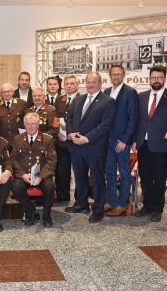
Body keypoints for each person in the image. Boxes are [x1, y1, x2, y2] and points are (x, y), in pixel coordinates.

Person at [65, 72, 116, 223]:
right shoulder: (78, 99)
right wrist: (70, 134)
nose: (91, 84)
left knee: (97, 179)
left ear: (100, 83)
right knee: (79, 178)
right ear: (85, 83)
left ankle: (98, 209)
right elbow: (70, 119)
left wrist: (87, 138)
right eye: (88, 82)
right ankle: (82, 204)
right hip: (76, 147)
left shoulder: (108, 101)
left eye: (94, 82)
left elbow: (106, 124)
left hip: (94, 147)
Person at [133, 65, 167, 222]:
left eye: (159, 77)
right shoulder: (141, 97)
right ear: (149, 78)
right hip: (143, 145)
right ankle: (147, 206)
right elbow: (137, 121)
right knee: (145, 177)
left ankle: (158, 209)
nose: (156, 80)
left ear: (164, 79)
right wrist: (135, 140)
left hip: (162, 146)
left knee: (158, 179)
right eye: (153, 77)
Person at [103, 65, 139, 216]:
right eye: (113, 74)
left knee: (124, 173)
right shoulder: (105, 92)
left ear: (123, 75)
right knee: (109, 172)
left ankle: (122, 203)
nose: (116, 77)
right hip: (108, 140)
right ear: (109, 76)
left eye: (119, 74)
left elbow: (133, 118)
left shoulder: (130, 92)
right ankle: (111, 201)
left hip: (122, 142)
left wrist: (125, 140)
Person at [11, 112, 56, 228]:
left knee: (49, 187)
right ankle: (30, 211)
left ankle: (46, 216)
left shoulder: (47, 139)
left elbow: (51, 161)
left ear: (38, 125)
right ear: (24, 125)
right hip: (24, 174)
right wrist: (22, 174)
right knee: (16, 188)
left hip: (42, 175)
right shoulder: (18, 139)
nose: (30, 126)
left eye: (33, 124)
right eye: (28, 124)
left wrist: (41, 176)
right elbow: (13, 160)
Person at [54, 75, 80, 202]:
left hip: (77, 141)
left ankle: (79, 198)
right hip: (61, 142)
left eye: (72, 83)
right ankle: (63, 197)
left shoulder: (82, 99)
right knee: (62, 172)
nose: (69, 86)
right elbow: (55, 118)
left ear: (77, 85)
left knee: (79, 172)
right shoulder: (59, 100)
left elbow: (84, 120)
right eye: (67, 84)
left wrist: (68, 129)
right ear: (64, 85)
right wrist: (57, 132)